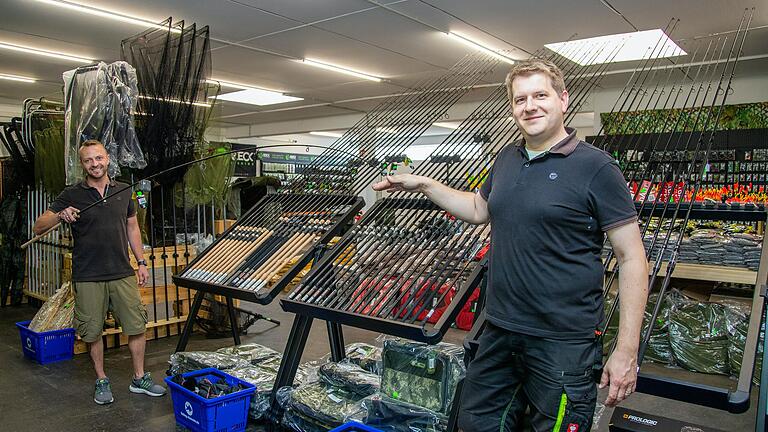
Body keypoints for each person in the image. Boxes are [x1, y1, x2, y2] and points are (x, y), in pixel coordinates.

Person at [373, 59, 648, 431]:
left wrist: (626, 351)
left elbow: (631, 258)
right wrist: (423, 184)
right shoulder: (507, 158)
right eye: (520, 99)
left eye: (540, 95)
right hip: (500, 330)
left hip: (562, 341)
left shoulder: (597, 168)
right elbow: (478, 208)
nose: (530, 106)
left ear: (563, 99)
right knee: (476, 424)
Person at [33, 140, 166, 405]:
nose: (95, 164)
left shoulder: (123, 190)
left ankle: (139, 378)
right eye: (88, 160)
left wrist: (141, 262)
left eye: (99, 158)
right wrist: (61, 214)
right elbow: (39, 226)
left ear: (107, 159)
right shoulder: (72, 194)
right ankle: (101, 379)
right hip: (88, 275)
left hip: (122, 272)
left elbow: (132, 228)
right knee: (92, 332)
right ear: (82, 164)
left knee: (137, 326)